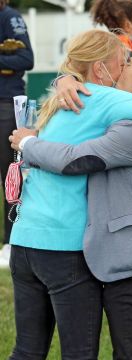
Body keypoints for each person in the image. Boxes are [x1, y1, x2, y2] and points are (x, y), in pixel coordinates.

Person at [9, 31, 132, 359]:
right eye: (122, 62)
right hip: (64, 246)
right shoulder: (105, 99)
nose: (124, 68)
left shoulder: (65, 97)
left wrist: (63, 82)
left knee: (27, 351)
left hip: (24, 239)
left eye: (129, 63)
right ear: (101, 70)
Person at [0, 0, 34, 268]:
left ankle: (13, 241)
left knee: (10, 176)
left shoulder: (8, 16)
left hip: (5, 103)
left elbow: (26, 59)